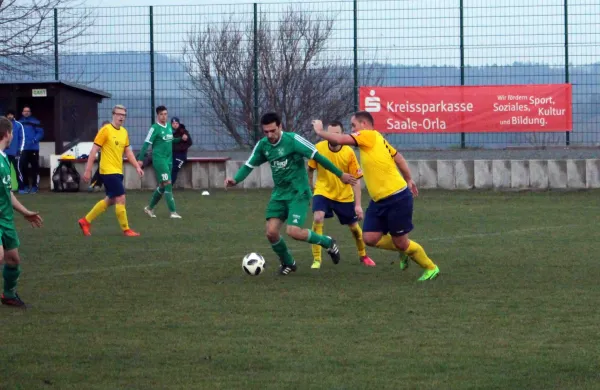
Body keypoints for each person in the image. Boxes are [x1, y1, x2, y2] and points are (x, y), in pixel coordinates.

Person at [224, 112, 357, 275]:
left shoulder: (293, 140)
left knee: (293, 231)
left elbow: (319, 157)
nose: (269, 135)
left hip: (298, 193)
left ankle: (327, 242)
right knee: (271, 233)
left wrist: (340, 174)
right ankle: (288, 263)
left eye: (272, 130)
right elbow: (249, 165)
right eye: (265, 132)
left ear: (280, 126)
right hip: (279, 195)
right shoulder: (263, 145)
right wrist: (235, 180)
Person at [312, 112, 440, 281]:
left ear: (364, 124)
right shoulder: (378, 138)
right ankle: (402, 250)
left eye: (353, 126)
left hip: (397, 197)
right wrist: (409, 178)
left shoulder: (369, 135)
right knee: (369, 238)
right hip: (378, 201)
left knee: (401, 242)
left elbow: (341, 140)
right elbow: (398, 157)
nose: (352, 130)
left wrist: (320, 132)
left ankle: (431, 267)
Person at [307, 120, 376, 269]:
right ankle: (317, 260)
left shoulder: (349, 152)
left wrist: (358, 205)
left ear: (342, 135)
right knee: (318, 217)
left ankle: (363, 255)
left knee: (354, 228)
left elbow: (356, 180)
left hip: (344, 196)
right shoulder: (318, 148)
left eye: (336, 134)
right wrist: (310, 188)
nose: (333, 137)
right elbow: (310, 169)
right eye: (330, 133)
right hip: (322, 191)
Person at [78, 105, 144, 237]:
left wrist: (137, 166)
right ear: (113, 115)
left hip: (118, 171)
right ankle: (126, 229)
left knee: (111, 199)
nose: (121, 117)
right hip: (107, 171)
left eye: (123, 115)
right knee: (121, 197)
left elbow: (128, 152)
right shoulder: (105, 130)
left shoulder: (124, 132)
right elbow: (93, 151)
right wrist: (88, 170)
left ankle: (85, 221)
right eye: (119, 114)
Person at [0, 116, 44, 308]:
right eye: (12, 133)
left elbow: (7, 193)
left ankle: (8, 295)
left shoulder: (3, 160)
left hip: (6, 219)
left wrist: (25, 212)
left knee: (13, 259)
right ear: (7, 133)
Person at [137, 106, 187, 219]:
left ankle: (149, 208)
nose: (164, 116)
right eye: (161, 114)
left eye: (165, 114)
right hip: (159, 160)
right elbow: (146, 143)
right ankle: (173, 212)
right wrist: (140, 159)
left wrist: (180, 139)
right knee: (168, 183)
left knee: (162, 186)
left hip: (169, 160)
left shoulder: (169, 126)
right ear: (157, 115)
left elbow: (170, 139)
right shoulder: (154, 128)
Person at [18, 106, 44, 194]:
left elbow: (40, 133)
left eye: (28, 111)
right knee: (23, 168)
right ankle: (25, 186)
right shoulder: (19, 123)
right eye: (25, 111)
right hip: (23, 149)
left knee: (34, 168)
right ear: (22, 112)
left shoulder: (35, 122)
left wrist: (34, 140)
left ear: (30, 112)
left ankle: (34, 186)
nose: (26, 113)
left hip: (33, 148)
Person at [4, 110, 24, 192]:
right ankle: (7, 188)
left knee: (18, 170)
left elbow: (22, 138)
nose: (10, 116)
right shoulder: (3, 125)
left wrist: (20, 150)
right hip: (4, 153)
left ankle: (21, 187)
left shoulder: (19, 125)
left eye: (11, 114)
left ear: (14, 115)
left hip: (15, 153)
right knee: (5, 171)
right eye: (8, 115)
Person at [88, 120, 111, 192]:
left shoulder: (111, 134)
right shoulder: (101, 134)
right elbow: (96, 147)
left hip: (110, 155)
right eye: (105, 127)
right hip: (102, 154)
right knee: (101, 170)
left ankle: (98, 185)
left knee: (109, 171)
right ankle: (94, 184)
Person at [170, 117, 192, 186]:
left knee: (174, 169)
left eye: (176, 123)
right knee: (168, 169)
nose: (175, 125)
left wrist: (180, 148)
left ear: (179, 124)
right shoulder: (168, 132)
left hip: (181, 156)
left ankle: (168, 187)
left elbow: (190, 142)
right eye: (173, 123)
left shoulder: (183, 132)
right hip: (171, 155)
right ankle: (165, 186)